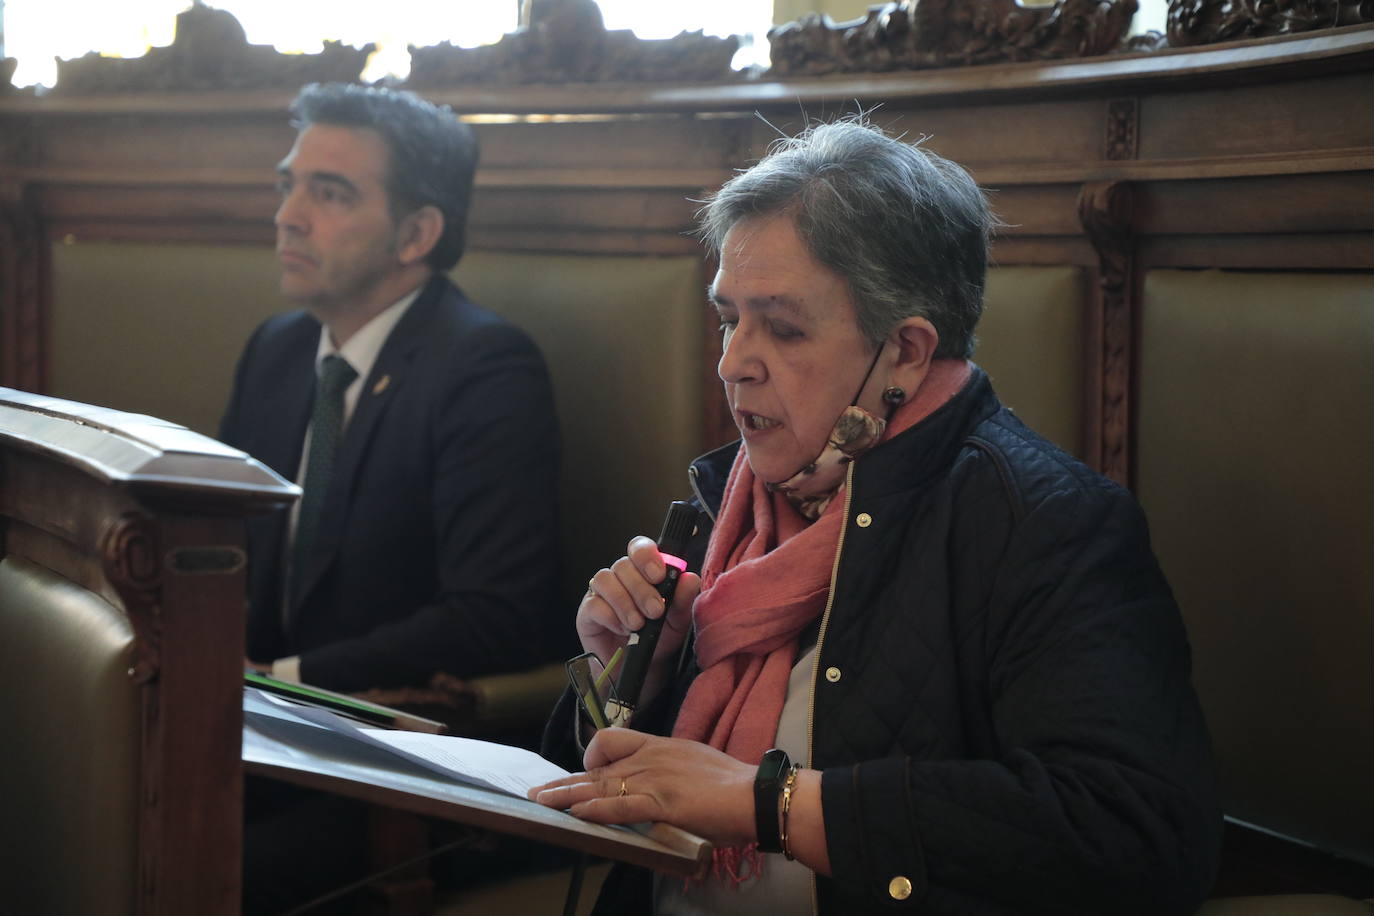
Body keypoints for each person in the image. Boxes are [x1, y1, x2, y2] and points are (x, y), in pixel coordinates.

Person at [532, 118, 1221, 915]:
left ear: (907, 352)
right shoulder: (736, 501)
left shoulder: (1046, 521)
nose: (732, 363)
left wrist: (775, 804)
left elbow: (1139, 836)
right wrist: (633, 681)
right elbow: (592, 785)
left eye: (783, 328)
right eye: (729, 319)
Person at [221, 82, 565, 913]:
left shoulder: (485, 369)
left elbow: (497, 612)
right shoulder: (277, 349)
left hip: (396, 765)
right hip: (256, 738)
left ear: (418, 233)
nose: (289, 215)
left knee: (206, 864)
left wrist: (283, 679)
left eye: (329, 193)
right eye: (288, 185)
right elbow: (220, 540)